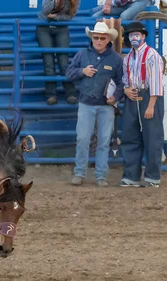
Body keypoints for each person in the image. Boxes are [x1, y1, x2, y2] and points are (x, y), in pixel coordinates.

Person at [66, 22, 124, 187]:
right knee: (83, 139)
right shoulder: (82, 54)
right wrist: (81, 71)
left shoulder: (116, 59)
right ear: (92, 38)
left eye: (102, 38)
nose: (98, 40)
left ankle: (100, 176)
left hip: (106, 105)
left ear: (108, 39)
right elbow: (69, 73)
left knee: (104, 141)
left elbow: (121, 82)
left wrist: (116, 96)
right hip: (86, 104)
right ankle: (80, 172)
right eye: (96, 37)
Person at [119, 21, 164, 188]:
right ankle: (131, 176)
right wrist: (126, 89)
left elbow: (157, 82)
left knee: (152, 138)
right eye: (131, 35)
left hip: (149, 96)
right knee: (130, 136)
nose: (134, 37)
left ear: (143, 36)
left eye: (137, 34)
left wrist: (151, 105)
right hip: (133, 95)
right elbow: (125, 79)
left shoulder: (152, 55)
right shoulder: (128, 57)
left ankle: (153, 177)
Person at [36, 0, 80, 105]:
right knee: (48, 62)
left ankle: (70, 93)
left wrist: (56, 17)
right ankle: (51, 94)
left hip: (61, 28)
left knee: (64, 62)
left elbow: (70, 17)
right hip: (44, 28)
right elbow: (45, 10)